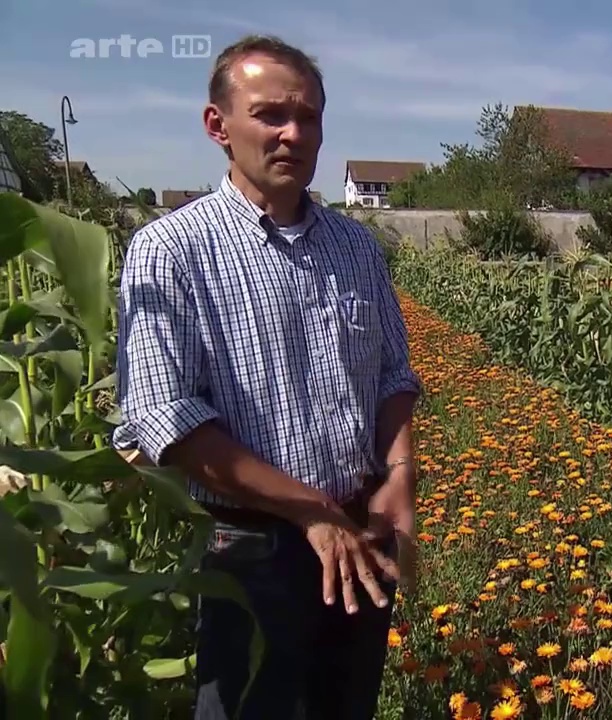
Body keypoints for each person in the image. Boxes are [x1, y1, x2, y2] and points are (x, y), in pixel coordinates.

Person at [113, 34, 422, 720]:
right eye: (271, 114)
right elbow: (170, 419)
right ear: (217, 126)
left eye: (308, 116)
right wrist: (305, 510)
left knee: (347, 704)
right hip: (249, 551)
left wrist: (399, 471)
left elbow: (394, 372)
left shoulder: (354, 245)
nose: (293, 134)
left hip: (360, 531)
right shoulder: (170, 251)